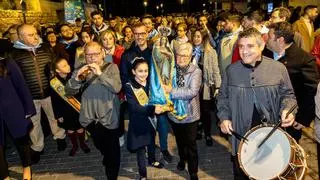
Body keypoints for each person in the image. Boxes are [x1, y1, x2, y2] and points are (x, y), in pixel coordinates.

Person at [217, 28, 297, 179]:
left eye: (250, 46)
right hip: (241, 136)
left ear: (261, 46)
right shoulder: (231, 71)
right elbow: (223, 97)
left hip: (272, 136)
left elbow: (289, 95)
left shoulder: (278, 68)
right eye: (241, 46)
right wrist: (224, 117)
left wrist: (289, 110)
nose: (244, 51)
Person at [65, 42, 121, 180]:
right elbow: (68, 91)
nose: (92, 58)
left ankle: (111, 173)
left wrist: (100, 74)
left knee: (112, 149)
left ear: (102, 53)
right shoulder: (80, 69)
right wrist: (77, 78)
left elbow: (116, 88)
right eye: (88, 55)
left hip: (108, 116)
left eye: (95, 54)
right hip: (89, 118)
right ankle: (107, 156)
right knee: (99, 143)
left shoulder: (111, 67)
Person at [12, 24, 66, 164]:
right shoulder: (14, 54)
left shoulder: (46, 48)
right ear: (21, 37)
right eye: (30, 35)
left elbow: (54, 66)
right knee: (34, 123)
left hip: (50, 91)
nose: (35, 36)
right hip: (30, 96)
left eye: (35, 33)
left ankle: (60, 137)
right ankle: (37, 147)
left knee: (54, 116)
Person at [120, 23, 173, 163]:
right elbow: (124, 77)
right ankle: (145, 149)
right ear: (132, 34)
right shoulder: (127, 54)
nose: (140, 36)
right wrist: (131, 92)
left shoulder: (154, 51)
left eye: (143, 33)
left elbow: (164, 70)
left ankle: (164, 148)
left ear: (147, 33)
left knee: (162, 122)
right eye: (136, 33)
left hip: (156, 94)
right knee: (144, 123)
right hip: (138, 96)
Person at [265, 22, 319, 141]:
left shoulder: (304, 60)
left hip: (290, 119)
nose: (266, 39)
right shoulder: (264, 54)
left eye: (269, 36)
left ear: (280, 40)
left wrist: (303, 119)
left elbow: (310, 92)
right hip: (266, 116)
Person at [162, 43, 202, 180]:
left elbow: (192, 92)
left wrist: (171, 91)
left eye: (185, 55)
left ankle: (193, 171)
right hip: (174, 114)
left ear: (190, 56)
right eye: (179, 55)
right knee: (179, 140)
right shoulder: (171, 69)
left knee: (191, 143)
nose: (181, 58)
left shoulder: (196, 71)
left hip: (190, 115)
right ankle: (182, 159)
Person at [125, 58, 164, 180]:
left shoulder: (151, 83)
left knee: (151, 142)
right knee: (141, 150)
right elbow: (133, 107)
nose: (144, 74)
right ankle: (143, 174)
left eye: (146, 71)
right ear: (133, 71)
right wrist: (152, 109)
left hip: (151, 121)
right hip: (139, 122)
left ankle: (152, 160)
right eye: (140, 71)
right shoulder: (130, 86)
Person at [0, 57, 35, 180]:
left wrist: (28, 109)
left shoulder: (7, 62)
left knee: (21, 142)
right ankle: (4, 176)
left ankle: (27, 167)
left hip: (13, 110)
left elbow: (21, 85)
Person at [50, 58, 90, 156]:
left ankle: (82, 144)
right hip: (65, 111)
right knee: (70, 130)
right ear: (57, 70)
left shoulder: (74, 76)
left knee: (80, 128)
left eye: (67, 64)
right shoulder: (54, 82)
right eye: (63, 66)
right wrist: (58, 115)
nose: (67, 66)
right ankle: (74, 146)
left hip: (77, 107)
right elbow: (54, 100)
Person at [191, 29, 221, 146]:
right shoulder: (190, 51)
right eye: (194, 36)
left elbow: (215, 70)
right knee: (195, 110)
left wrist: (218, 86)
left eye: (198, 36)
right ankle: (198, 129)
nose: (196, 39)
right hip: (192, 87)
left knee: (206, 112)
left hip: (205, 87)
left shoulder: (210, 52)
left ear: (203, 39)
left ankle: (208, 134)